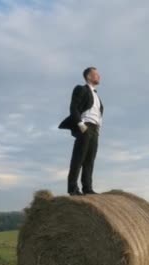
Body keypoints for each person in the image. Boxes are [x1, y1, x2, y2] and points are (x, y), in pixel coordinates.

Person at [58, 66, 104, 196]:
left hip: (95, 129)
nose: (99, 76)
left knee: (90, 160)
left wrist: (99, 128)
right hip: (85, 126)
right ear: (89, 76)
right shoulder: (81, 89)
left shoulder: (97, 96)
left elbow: (98, 114)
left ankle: (87, 188)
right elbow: (73, 107)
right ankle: (73, 188)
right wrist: (80, 124)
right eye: (96, 74)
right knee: (78, 159)